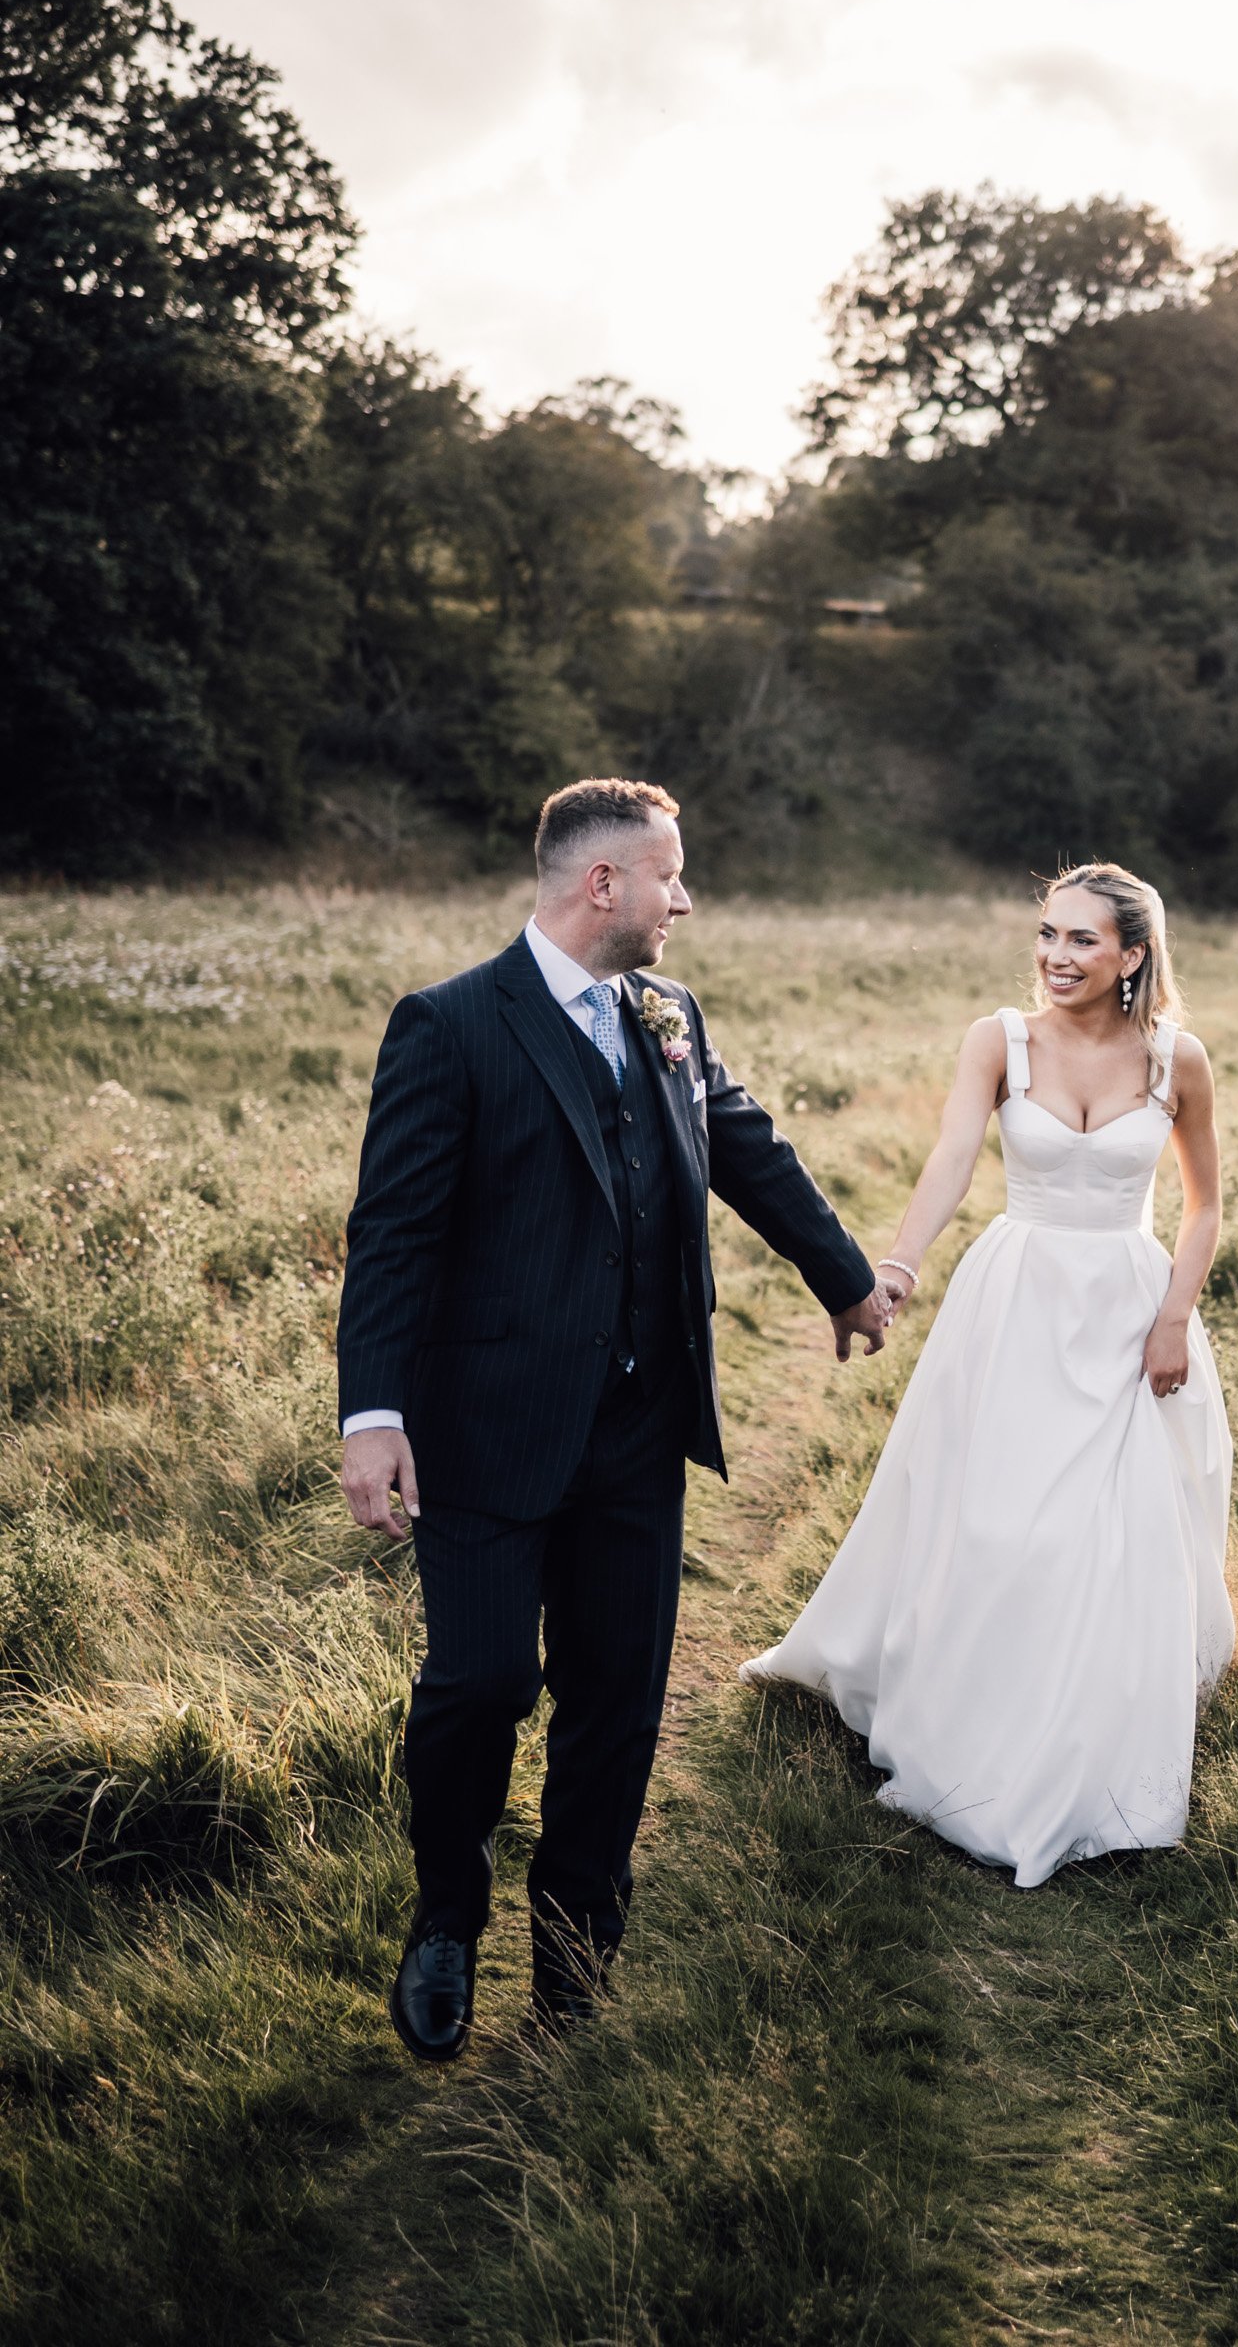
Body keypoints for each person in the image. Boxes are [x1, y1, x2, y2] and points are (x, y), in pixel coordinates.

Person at [336, 778, 893, 2059]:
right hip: (485, 1433)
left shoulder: (670, 1015)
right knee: (477, 1686)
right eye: (671, 876)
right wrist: (374, 1416)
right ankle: (445, 1915)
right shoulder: (450, 1025)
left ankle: (576, 1965)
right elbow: (393, 1237)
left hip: (639, 1435)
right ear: (604, 886)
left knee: (618, 1707)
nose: (683, 900)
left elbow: (744, 1145)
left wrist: (846, 1277)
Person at [743, 862, 1234, 1888]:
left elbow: (1201, 1205)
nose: (1056, 957)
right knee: (999, 1522)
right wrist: (896, 1265)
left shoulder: (1174, 1060)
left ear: (1130, 957)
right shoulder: (997, 1041)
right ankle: (973, 1722)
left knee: (1110, 1534)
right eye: (1047, 935)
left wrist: (1173, 1319)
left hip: (1129, 1314)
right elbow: (952, 1161)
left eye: (1081, 942)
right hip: (1016, 1303)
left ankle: (1090, 1747)